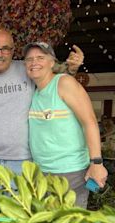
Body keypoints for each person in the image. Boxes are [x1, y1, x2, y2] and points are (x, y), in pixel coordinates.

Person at [0, 29, 84, 175]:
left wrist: (71, 68)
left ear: (13, 51)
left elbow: (54, 76)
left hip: (24, 161)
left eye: (5, 48)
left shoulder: (28, 68)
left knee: (22, 199)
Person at [24, 41, 107, 208]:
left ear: (52, 62)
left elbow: (89, 122)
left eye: (40, 58)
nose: (34, 63)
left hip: (70, 173)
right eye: (29, 59)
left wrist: (96, 163)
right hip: (42, 173)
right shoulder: (34, 92)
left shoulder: (64, 83)